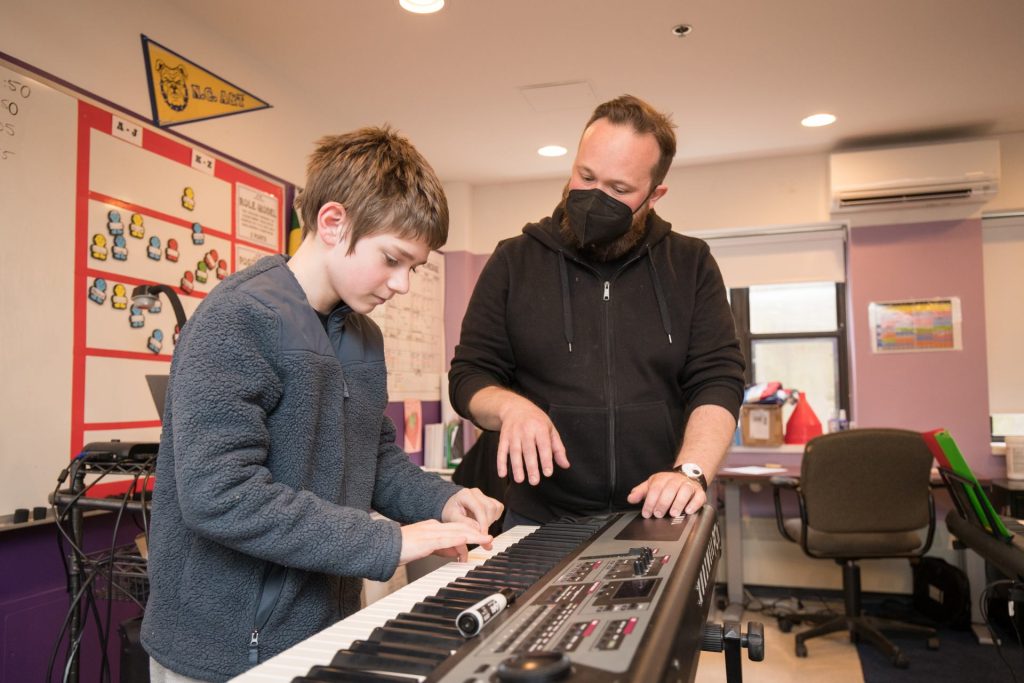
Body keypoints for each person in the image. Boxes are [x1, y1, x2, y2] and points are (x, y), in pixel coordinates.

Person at [142, 127, 503, 683]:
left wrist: (443, 500)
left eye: (416, 267)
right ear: (333, 223)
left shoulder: (362, 336)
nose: (403, 285)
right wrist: (391, 541)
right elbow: (219, 495)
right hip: (224, 655)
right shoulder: (237, 319)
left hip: (325, 633)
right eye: (392, 259)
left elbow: (373, 458)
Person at [449, 95, 745, 529]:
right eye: (585, 176)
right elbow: (470, 376)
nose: (593, 198)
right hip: (537, 517)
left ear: (655, 194)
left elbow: (718, 379)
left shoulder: (691, 263)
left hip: (659, 511)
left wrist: (691, 471)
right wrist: (511, 408)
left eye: (619, 189)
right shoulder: (514, 260)